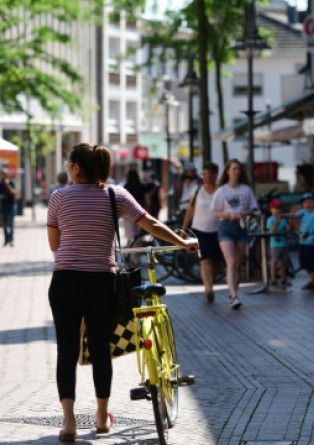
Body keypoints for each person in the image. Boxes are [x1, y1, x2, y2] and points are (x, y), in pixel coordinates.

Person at [47, 142, 198, 442]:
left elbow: (55, 246)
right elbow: (152, 224)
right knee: (101, 350)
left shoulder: (59, 197)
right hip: (101, 282)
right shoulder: (116, 195)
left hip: (65, 282)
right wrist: (183, 243)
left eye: (68, 164)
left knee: (67, 351)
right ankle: (102, 419)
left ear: (76, 168)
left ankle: (69, 424)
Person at [211, 159, 258, 309]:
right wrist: (228, 215)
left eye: (239, 169)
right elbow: (215, 211)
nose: (236, 171)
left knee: (238, 264)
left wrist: (245, 212)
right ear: (228, 171)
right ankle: (233, 295)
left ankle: (234, 292)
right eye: (234, 168)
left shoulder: (246, 190)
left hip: (241, 226)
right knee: (231, 263)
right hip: (226, 227)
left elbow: (253, 208)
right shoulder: (221, 191)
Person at [181, 162, 221, 303]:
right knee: (205, 260)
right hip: (200, 230)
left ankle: (210, 282)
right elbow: (189, 211)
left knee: (215, 263)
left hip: (217, 230)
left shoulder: (221, 191)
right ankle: (208, 288)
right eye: (203, 174)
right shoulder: (197, 191)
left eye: (207, 174)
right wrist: (184, 229)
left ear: (215, 175)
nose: (204, 177)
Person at [294, 191, 314, 290]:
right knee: (304, 261)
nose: (308, 205)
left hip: (313, 243)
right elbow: (294, 215)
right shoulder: (302, 212)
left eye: (311, 202)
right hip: (303, 242)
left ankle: (312, 281)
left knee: (312, 261)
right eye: (306, 203)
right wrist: (283, 215)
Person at [266, 198, 291, 291]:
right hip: (275, 245)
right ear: (271, 210)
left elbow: (287, 229)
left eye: (279, 208)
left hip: (284, 244)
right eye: (275, 208)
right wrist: (275, 225)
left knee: (284, 262)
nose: (277, 210)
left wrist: (289, 226)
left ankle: (283, 279)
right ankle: (273, 280)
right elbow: (270, 231)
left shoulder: (283, 220)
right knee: (274, 262)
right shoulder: (270, 220)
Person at [0, 170, 19, 247]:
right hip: (2, 206)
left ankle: (11, 240)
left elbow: (15, 195)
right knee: (5, 224)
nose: (4, 176)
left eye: (5, 174)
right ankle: (6, 240)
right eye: (2, 175)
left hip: (11, 206)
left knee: (10, 224)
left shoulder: (11, 183)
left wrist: (7, 185)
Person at [122, 169, 147, 241]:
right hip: (139, 211)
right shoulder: (141, 186)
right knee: (138, 233)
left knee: (130, 233)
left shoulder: (126, 186)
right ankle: (136, 250)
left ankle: (132, 250)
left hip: (128, 212)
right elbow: (146, 199)